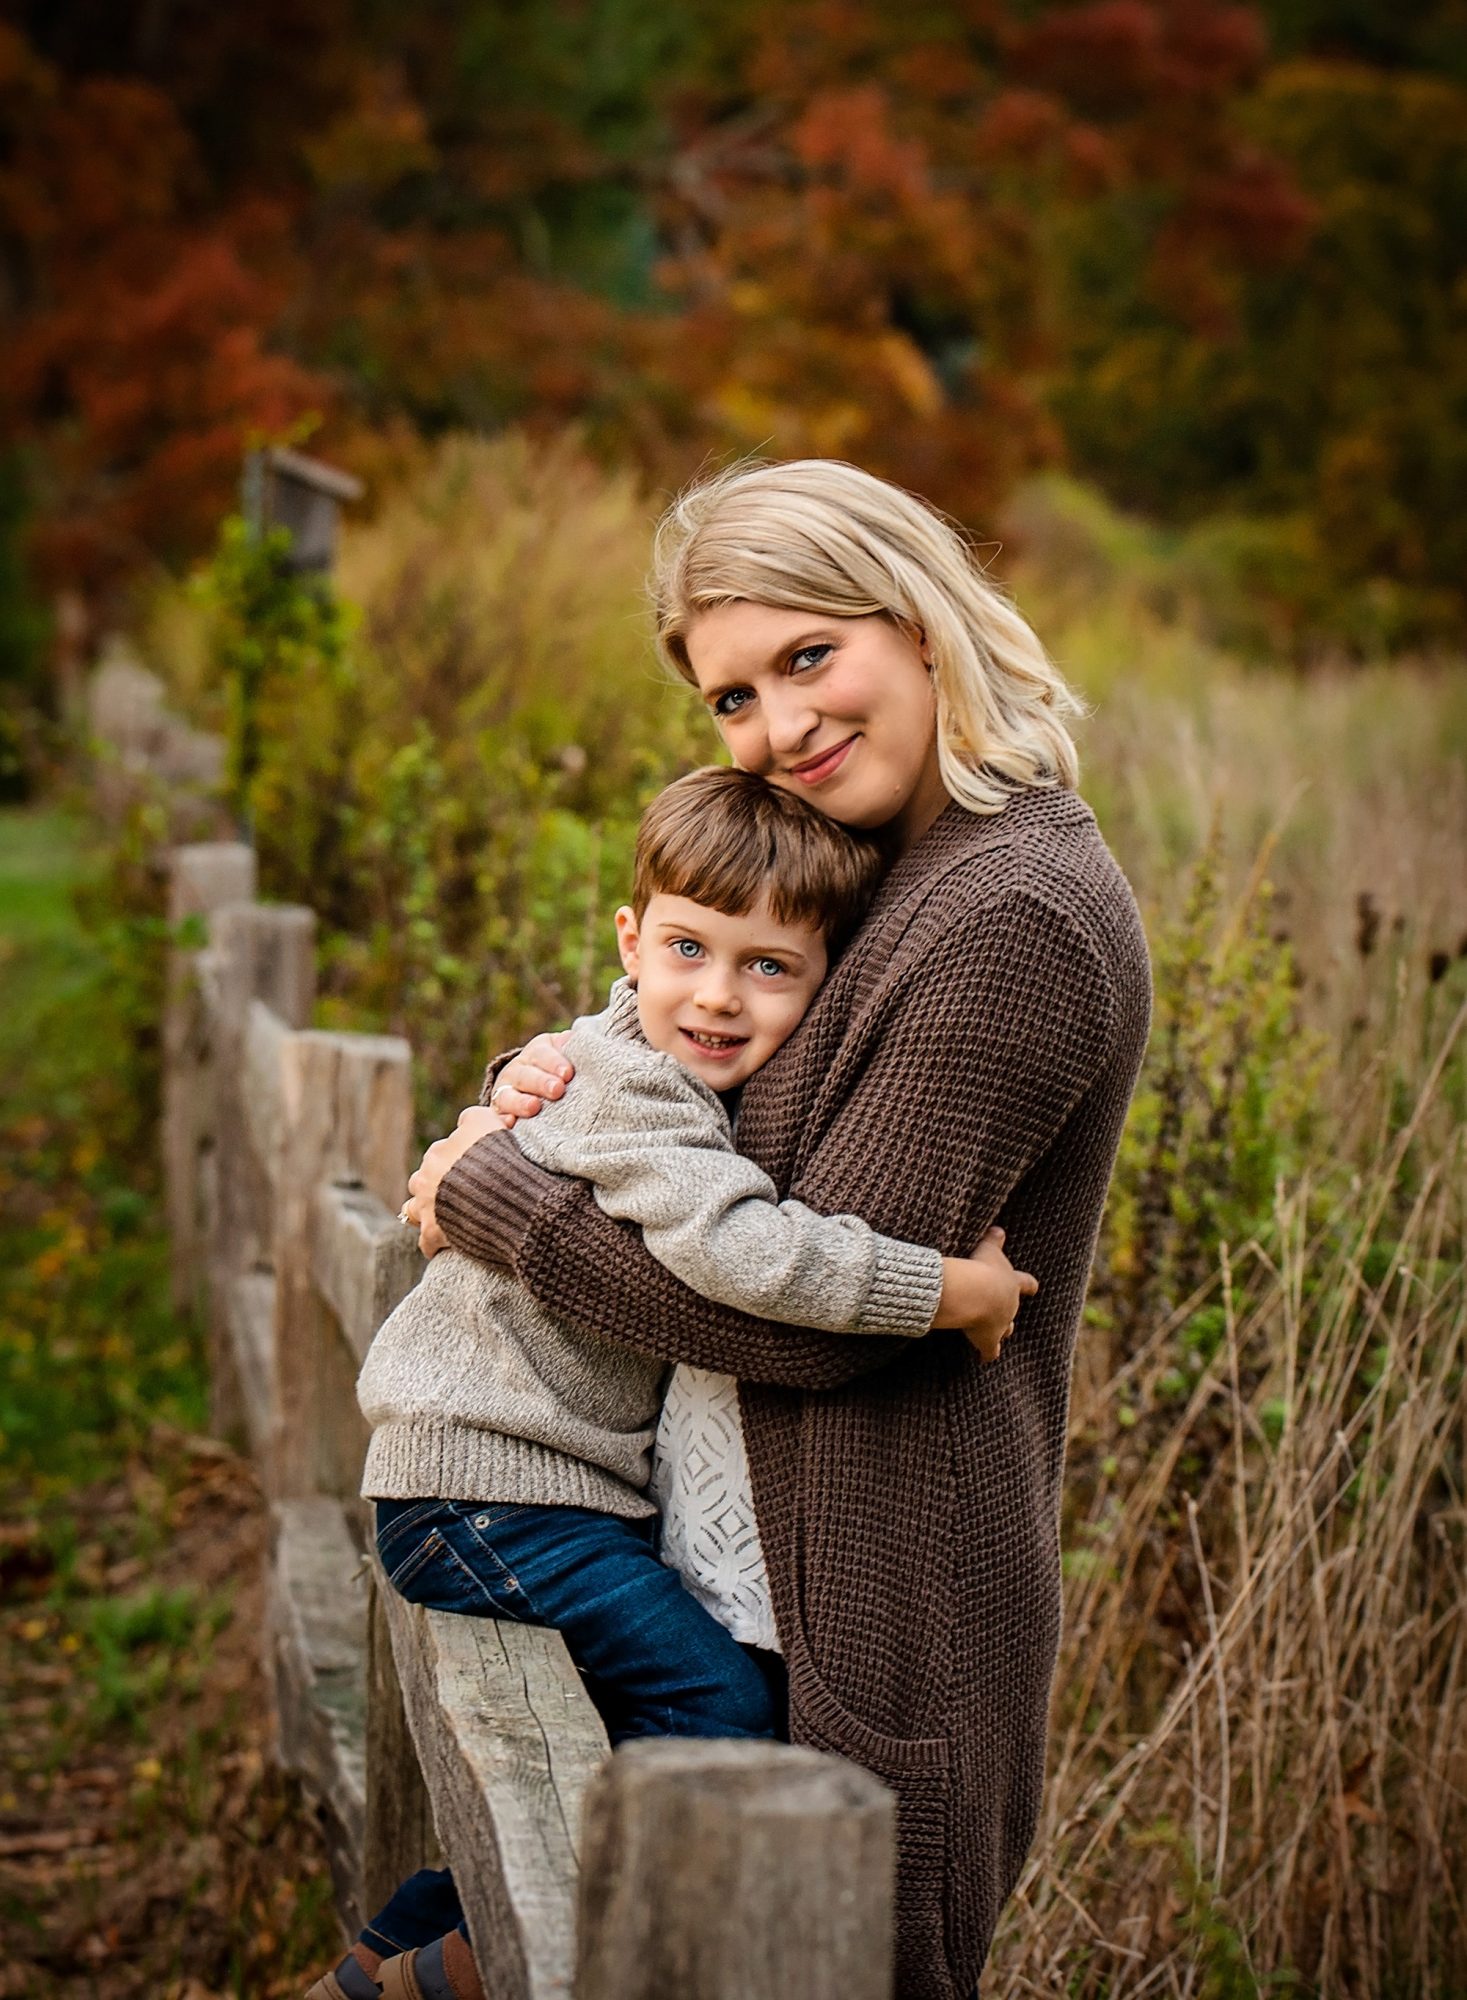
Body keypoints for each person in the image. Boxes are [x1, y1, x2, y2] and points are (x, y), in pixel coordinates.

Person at [389, 457, 1151, 2000]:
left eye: (809, 658)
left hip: (882, 1592)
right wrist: (526, 1089)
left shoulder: (1012, 912)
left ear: (923, 623)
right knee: (582, 1898)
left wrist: (492, 1197)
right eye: (731, 698)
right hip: (729, 1560)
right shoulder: (878, 862)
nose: (778, 728)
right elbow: (669, 1053)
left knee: (783, 1955)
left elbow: (778, 1309)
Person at [311, 767, 1031, 2000]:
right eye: (689, 948)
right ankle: (491, 1968)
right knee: (720, 1710)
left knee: (604, 1749)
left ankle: (388, 1966)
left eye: (769, 967)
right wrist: (949, 1290)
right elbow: (750, 1253)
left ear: (828, 984)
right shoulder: (638, 1089)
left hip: (509, 1494)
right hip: (489, 1494)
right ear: (632, 941)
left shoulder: (626, 1056)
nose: (715, 994)